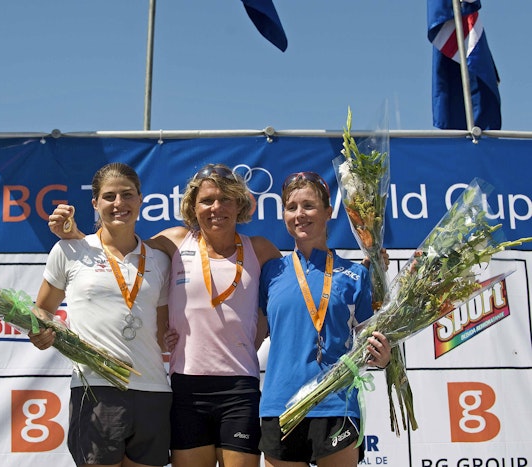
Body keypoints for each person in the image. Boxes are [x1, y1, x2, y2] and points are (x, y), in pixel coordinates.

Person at [49, 163, 282, 467]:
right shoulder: (174, 241)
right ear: (193, 207)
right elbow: (118, 249)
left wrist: (258, 331)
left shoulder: (261, 249)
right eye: (207, 201)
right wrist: (77, 236)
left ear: (240, 203)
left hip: (240, 387)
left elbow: (284, 298)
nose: (216, 208)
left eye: (225, 199)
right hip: (186, 387)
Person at [28, 162, 172, 467]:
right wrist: (39, 331)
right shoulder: (70, 250)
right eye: (109, 196)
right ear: (95, 203)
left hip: (153, 389)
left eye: (127, 194)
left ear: (140, 199)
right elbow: (42, 310)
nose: (119, 203)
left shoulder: (160, 260)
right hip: (96, 388)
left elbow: (161, 331)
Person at [258, 171, 391, 467]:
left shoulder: (355, 275)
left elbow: (372, 342)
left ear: (328, 212)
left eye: (309, 206)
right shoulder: (270, 272)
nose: (299, 214)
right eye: (291, 207)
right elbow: (250, 332)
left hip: (336, 404)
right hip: (280, 403)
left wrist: (383, 357)